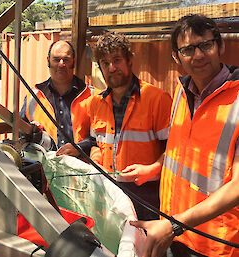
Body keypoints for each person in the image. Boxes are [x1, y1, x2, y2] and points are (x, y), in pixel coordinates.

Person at [128, 14, 239, 257]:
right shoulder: (182, 92)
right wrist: (154, 168)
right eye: (188, 49)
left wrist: (175, 224)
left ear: (221, 46)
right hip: (174, 231)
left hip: (213, 245)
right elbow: (181, 150)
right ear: (176, 58)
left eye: (206, 45)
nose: (198, 55)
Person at [89, 32, 172, 220]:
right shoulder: (96, 103)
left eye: (117, 60)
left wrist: (152, 169)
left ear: (130, 60)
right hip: (108, 193)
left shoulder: (156, 99)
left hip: (146, 197)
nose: (111, 68)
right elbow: (95, 143)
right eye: (105, 63)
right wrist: (96, 156)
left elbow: (174, 151)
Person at [20, 40, 93, 156]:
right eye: (56, 59)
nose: (61, 64)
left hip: (81, 170)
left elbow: (101, 139)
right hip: (43, 170)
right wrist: (32, 130)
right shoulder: (33, 97)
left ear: (73, 62)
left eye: (66, 59)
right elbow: (20, 134)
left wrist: (80, 149)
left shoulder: (92, 96)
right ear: (48, 61)